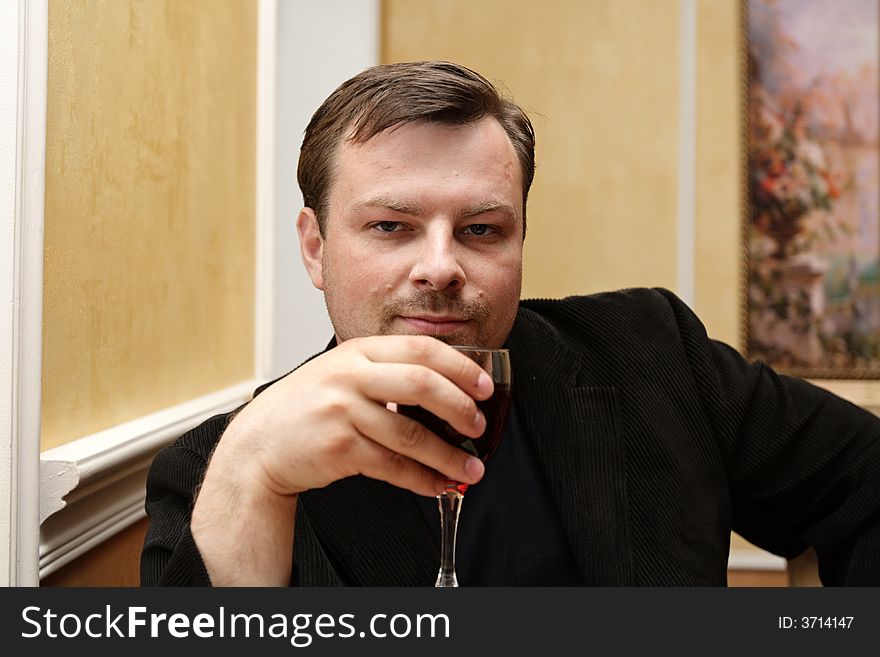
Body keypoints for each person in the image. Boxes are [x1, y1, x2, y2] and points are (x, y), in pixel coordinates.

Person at [141, 60, 880, 586]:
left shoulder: (653, 352)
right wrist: (250, 476)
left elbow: (864, 473)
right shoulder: (220, 466)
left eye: (482, 230)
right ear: (316, 246)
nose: (440, 266)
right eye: (392, 226)